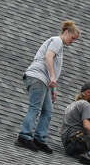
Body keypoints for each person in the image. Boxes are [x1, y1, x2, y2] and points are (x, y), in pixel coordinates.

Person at [16, 20, 79, 152]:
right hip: (37, 77)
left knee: (48, 110)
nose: (73, 42)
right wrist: (52, 77)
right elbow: (48, 57)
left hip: (43, 81)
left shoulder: (60, 46)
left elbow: (53, 68)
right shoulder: (57, 41)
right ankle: (24, 136)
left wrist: (53, 89)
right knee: (35, 107)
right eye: (73, 38)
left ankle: (39, 139)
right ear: (66, 32)